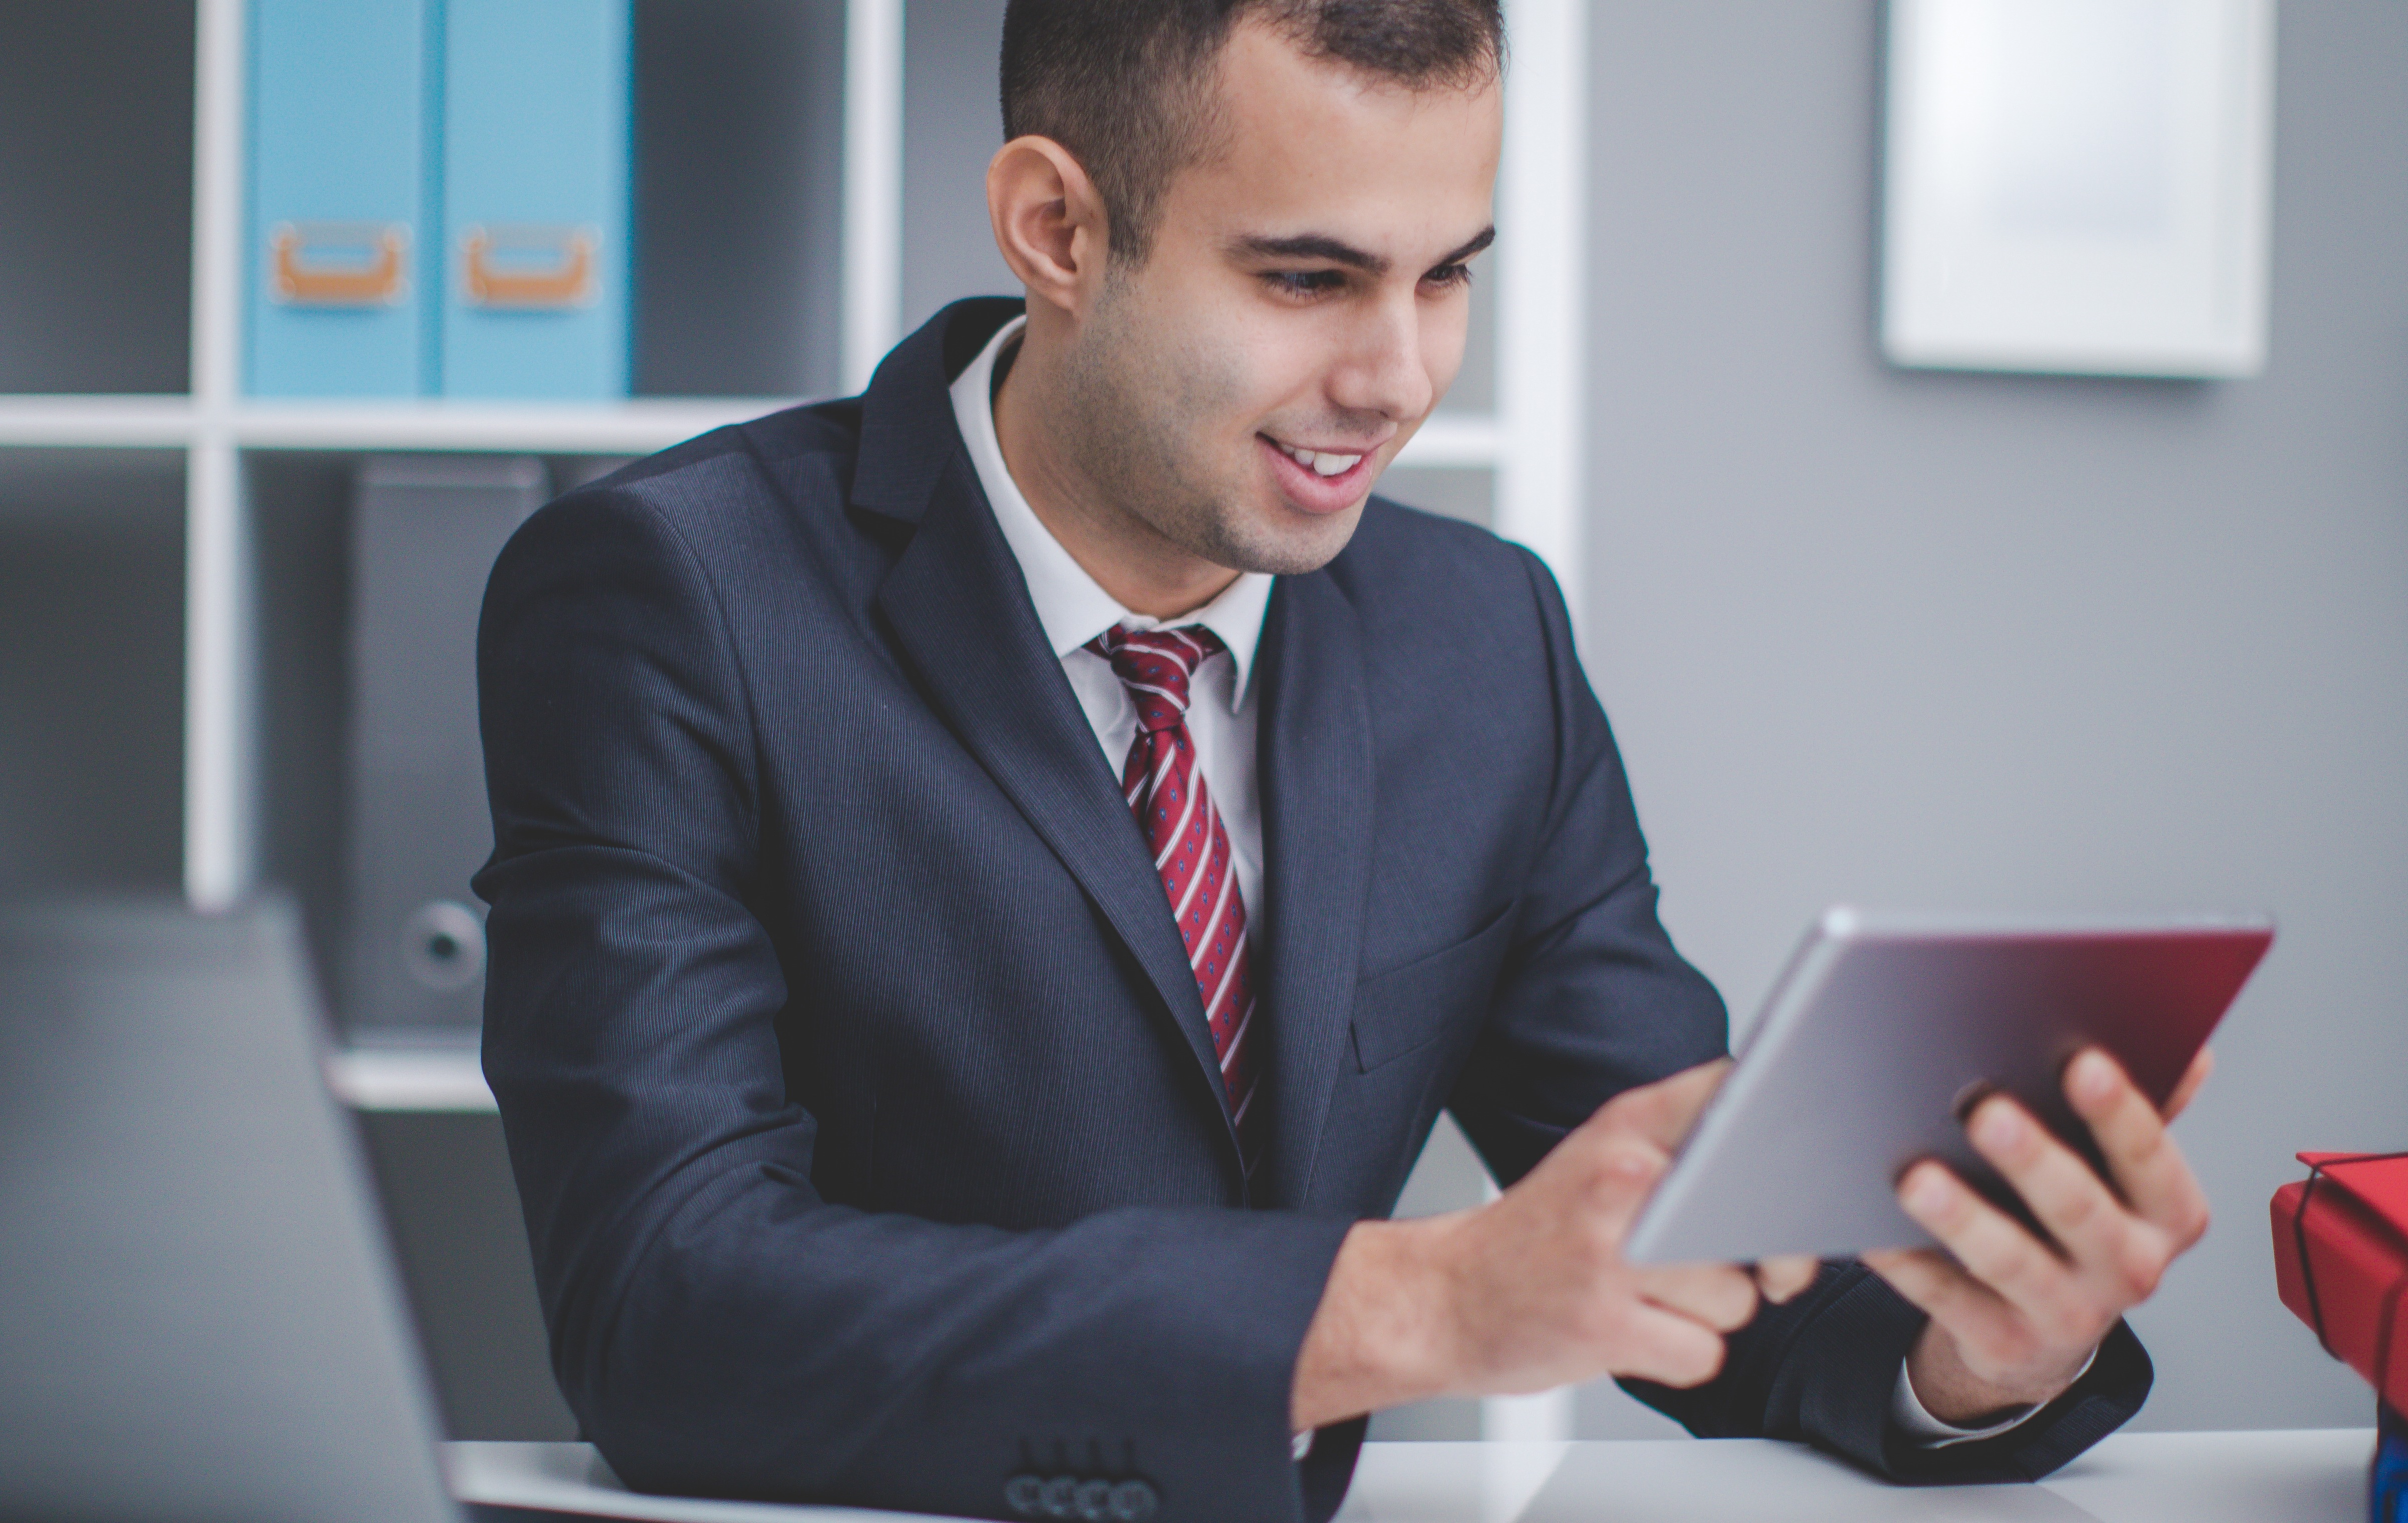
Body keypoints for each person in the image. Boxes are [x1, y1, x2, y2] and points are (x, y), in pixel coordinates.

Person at [472, 2, 2213, 1518]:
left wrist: (1975, 1348)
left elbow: (1684, 1247)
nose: (1396, 378)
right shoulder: (672, 593)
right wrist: (1414, 1311)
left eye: (1447, 274)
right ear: (1058, 228)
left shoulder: (1482, 640)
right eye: (1307, 277)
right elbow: (667, 1303)